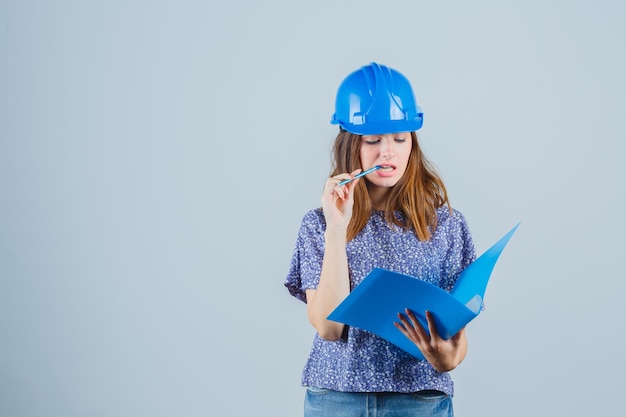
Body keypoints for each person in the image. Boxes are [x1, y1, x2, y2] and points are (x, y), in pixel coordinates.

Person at [284, 62, 476, 417]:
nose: (387, 152)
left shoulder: (447, 224)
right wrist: (337, 228)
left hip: (419, 400)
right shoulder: (319, 226)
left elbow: (457, 336)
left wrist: (447, 357)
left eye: (400, 139)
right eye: (373, 141)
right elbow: (328, 327)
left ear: (412, 143)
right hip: (336, 400)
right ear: (350, 144)